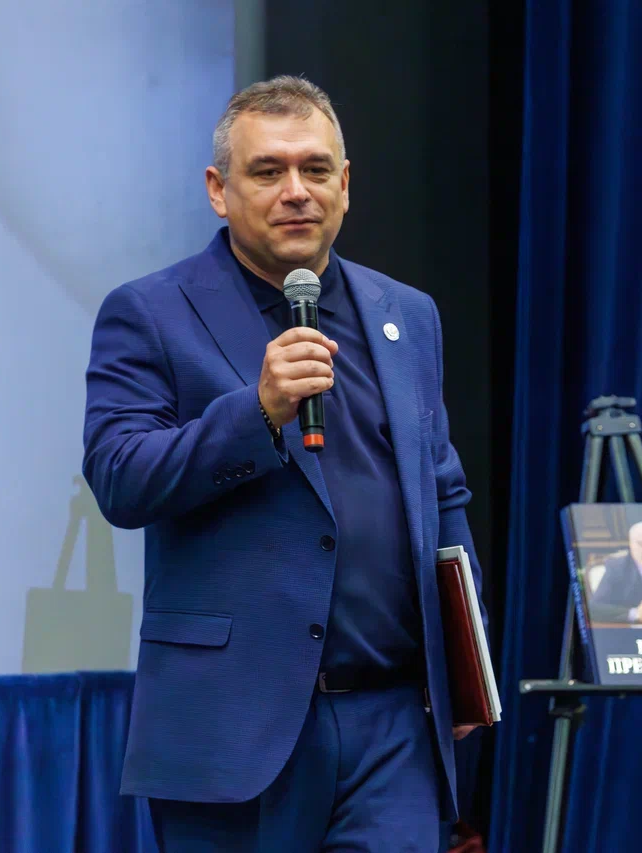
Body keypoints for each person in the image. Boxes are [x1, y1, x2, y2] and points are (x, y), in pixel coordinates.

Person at [82, 75, 488, 851]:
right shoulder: (150, 312)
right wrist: (257, 412)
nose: (296, 191)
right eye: (268, 171)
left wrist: (468, 665)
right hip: (234, 728)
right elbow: (120, 476)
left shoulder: (407, 315)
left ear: (346, 184)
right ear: (219, 190)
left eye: (315, 169)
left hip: (392, 728)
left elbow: (444, 496)